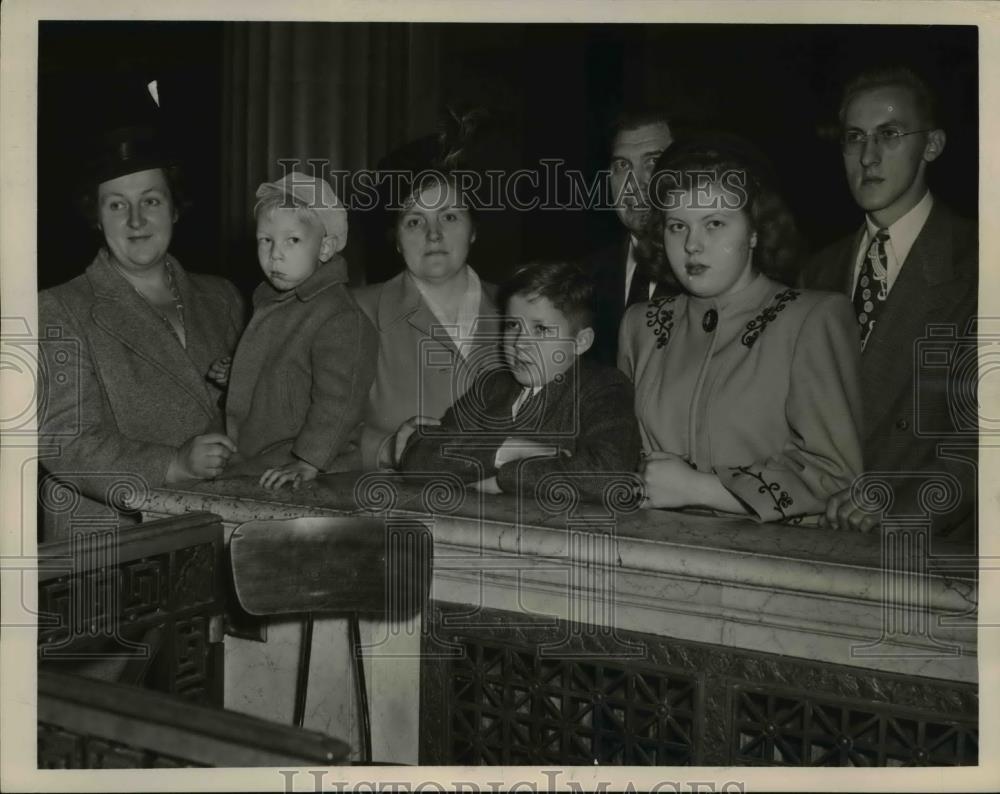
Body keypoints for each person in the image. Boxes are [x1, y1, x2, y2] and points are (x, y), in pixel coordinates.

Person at [619, 135, 863, 523]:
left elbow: (836, 475)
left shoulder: (812, 318)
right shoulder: (640, 325)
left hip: (770, 566)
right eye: (677, 226)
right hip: (653, 556)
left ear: (754, 231)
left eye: (714, 223)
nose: (692, 245)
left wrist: (699, 489)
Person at [37, 126, 244, 540]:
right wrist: (174, 464)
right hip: (112, 541)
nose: (135, 220)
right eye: (116, 205)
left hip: (222, 526)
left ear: (175, 208)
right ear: (97, 217)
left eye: (150, 200)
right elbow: (65, 441)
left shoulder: (222, 298)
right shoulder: (59, 307)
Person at [802, 66, 977, 539]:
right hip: (816, 540)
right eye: (854, 137)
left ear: (933, 145)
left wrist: (901, 505)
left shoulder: (979, 264)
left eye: (890, 134)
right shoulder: (817, 272)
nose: (869, 156)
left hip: (928, 553)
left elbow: (984, 440)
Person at [400, 261, 641, 502]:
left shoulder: (605, 388)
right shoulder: (492, 386)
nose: (519, 343)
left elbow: (609, 475)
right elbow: (417, 458)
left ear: (581, 342)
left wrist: (504, 479)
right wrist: (506, 450)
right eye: (513, 325)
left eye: (541, 329)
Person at [214, 171, 377, 489]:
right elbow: (286, 372)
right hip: (259, 458)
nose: (275, 253)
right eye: (266, 240)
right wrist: (239, 372)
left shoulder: (339, 317)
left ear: (326, 248)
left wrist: (308, 461)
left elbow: (338, 402)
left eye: (293, 240)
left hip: (316, 468)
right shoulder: (275, 302)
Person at [352, 171, 501, 470]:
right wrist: (384, 449)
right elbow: (300, 425)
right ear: (396, 239)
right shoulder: (355, 312)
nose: (433, 234)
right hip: (393, 506)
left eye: (449, 217)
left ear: (473, 229)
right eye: (414, 221)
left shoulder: (519, 309)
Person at [586, 109, 676, 367]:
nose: (635, 183)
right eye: (622, 165)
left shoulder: (716, 276)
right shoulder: (584, 278)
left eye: (653, 162)